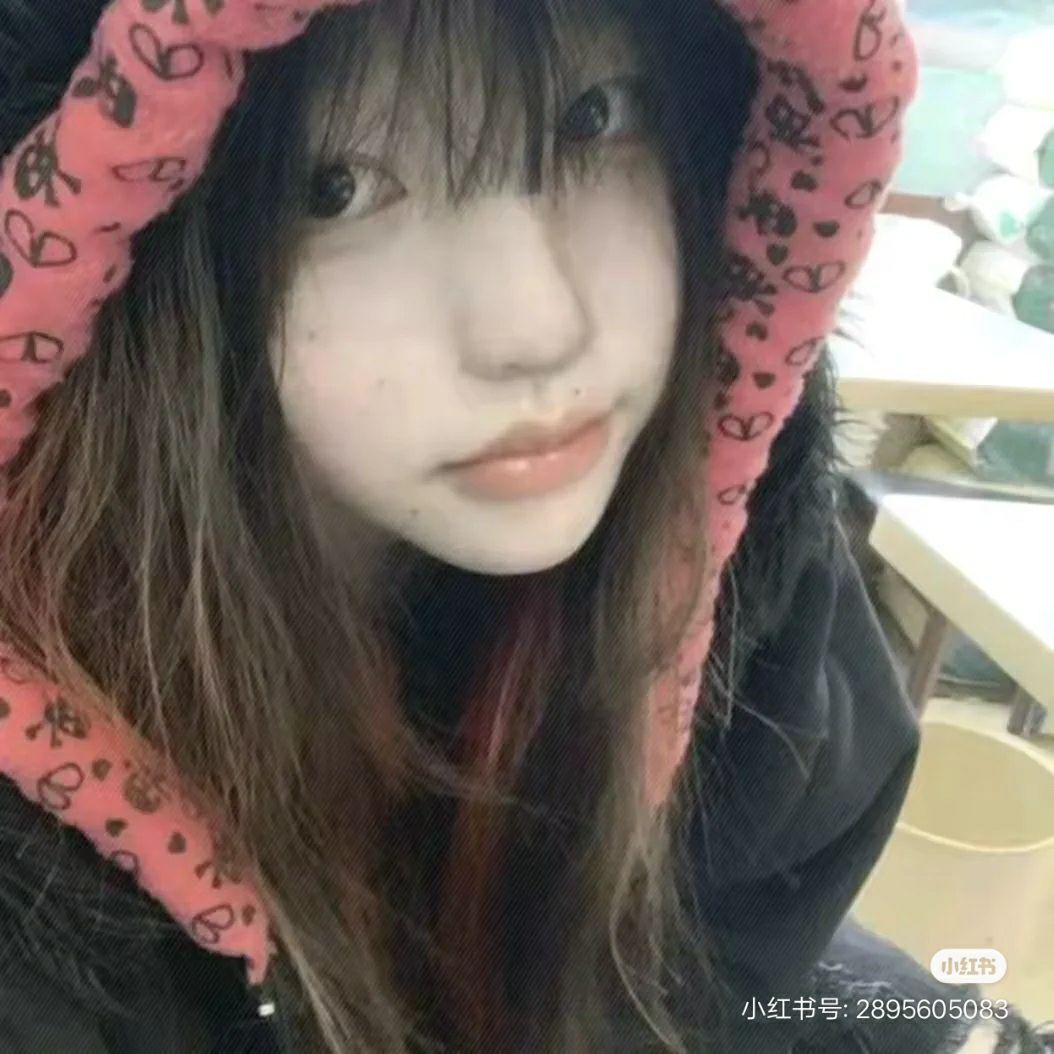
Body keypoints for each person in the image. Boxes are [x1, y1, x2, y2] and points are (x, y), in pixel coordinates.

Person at [0, 1, 1047, 1051]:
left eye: (594, 118)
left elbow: (732, 969)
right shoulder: (40, 909)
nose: (539, 326)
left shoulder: (736, 600)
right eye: (336, 188)